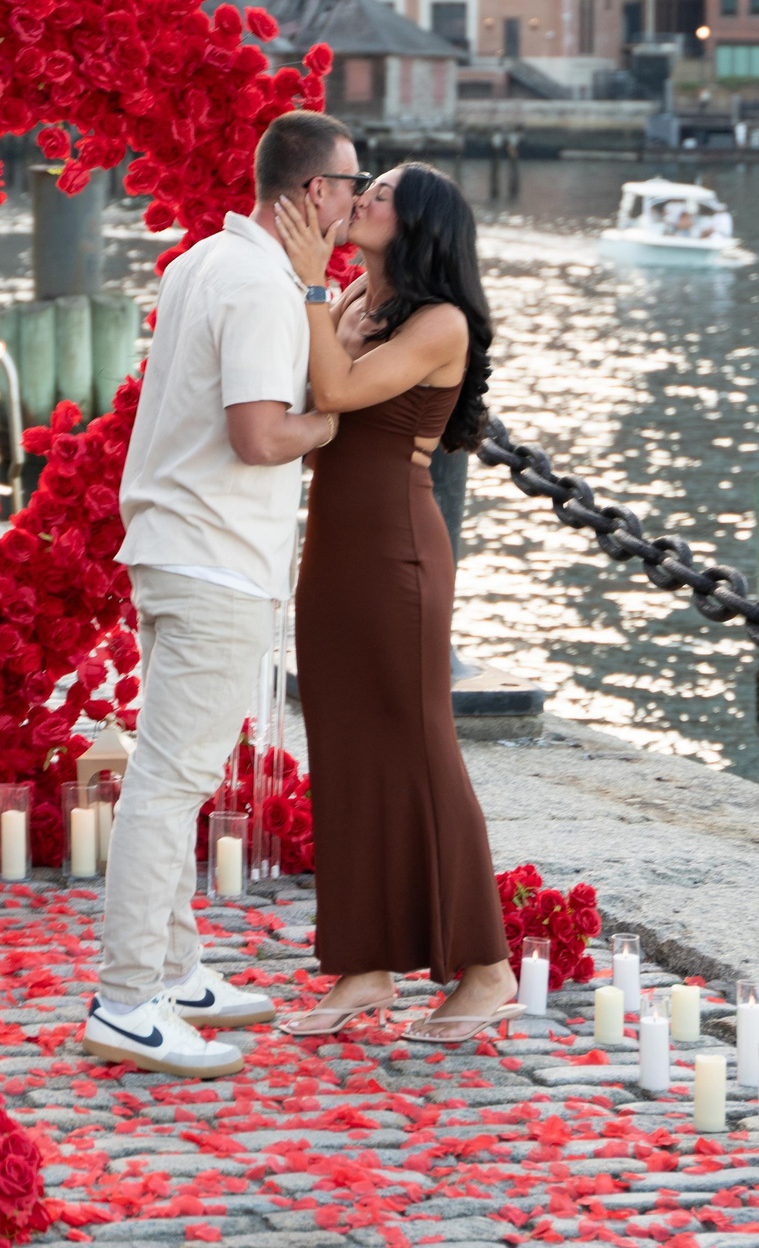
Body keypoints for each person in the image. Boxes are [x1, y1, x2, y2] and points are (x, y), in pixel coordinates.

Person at [81, 110, 367, 1080]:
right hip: (212, 558)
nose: (356, 201)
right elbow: (257, 433)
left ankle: (172, 969)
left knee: (168, 769)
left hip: (170, 546)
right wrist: (328, 422)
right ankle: (126, 998)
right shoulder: (258, 286)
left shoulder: (201, 261)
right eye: (348, 184)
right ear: (311, 194)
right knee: (171, 782)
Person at [270, 164, 514, 1044]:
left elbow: (334, 395)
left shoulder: (440, 322)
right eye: (364, 186)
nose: (363, 197)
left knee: (418, 747)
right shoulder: (348, 306)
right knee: (343, 750)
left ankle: (486, 969)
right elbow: (306, 415)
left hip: (397, 552)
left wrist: (305, 282)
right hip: (334, 549)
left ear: (421, 223)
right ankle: (366, 969)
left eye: (383, 193)